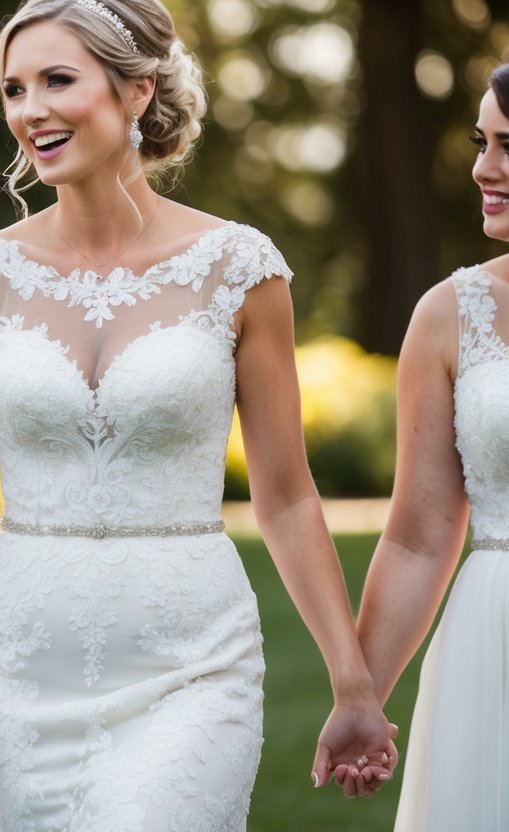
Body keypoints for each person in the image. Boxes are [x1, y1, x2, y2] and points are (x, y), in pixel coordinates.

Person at [0, 0, 398, 827]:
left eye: (57, 80)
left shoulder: (238, 268)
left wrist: (352, 682)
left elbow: (287, 496)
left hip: (191, 661)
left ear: (138, 90)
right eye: (13, 89)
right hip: (18, 667)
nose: (30, 109)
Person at [348, 63, 509, 830]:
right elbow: (416, 537)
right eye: (482, 142)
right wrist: (360, 697)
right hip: (493, 639)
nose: (483, 167)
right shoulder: (450, 315)